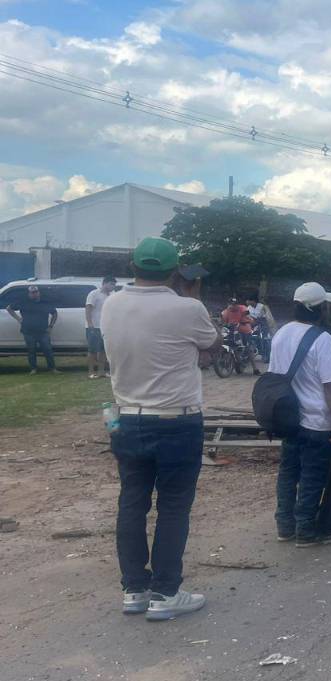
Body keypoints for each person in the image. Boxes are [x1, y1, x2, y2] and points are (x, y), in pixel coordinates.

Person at [100, 237, 221, 620]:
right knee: (173, 507)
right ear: (175, 270)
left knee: (131, 503)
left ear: (133, 266)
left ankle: (134, 588)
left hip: (127, 418)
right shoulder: (188, 307)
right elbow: (211, 347)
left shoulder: (112, 303)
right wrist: (189, 294)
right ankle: (166, 593)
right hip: (177, 420)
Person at [270, 283, 331, 547]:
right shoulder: (321, 338)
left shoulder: (281, 333)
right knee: (313, 477)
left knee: (288, 473)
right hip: (316, 420)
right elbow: (330, 385)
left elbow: (275, 377)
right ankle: (306, 530)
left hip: (289, 419)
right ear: (318, 308)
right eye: (325, 305)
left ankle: (285, 526)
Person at [7, 285, 59, 374]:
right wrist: (18, 319)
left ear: (39, 292)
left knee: (48, 350)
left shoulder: (45, 302)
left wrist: (51, 326)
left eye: (36, 292)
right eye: (32, 293)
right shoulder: (23, 302)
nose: (34, 294)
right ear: (29, 294)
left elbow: (54, 313)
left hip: (43, 331)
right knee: (31, 350)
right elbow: (9, 308)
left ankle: (52, 368)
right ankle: (33, 369)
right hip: (28, 331)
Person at [85, 276, 115, 379]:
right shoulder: (94, 293)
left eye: (114, 284)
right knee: (92, 350)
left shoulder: (111, 295)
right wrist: (90, 324)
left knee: (103, 350)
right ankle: (91, 372)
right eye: (111, 284)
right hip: (94, 326)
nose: (113, 286)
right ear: (105, 283)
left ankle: (101, 371)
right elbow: (88, 308)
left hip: (105, 327)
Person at [220, 297, 260, 375]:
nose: (233, 306)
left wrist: (245, 320)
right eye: (231, 304)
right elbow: (223, 322)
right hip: (232, 331)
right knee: (232, 346)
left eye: (235, 304)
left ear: (237, 305)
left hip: (244, 330)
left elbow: (248, 317)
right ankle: (238, 363)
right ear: (228, 304)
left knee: (248, 349)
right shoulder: (226, 312)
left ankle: (255, 369)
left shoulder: (243, 309)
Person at [246, 292, 275, 364]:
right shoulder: (249, 308)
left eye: (249, 300)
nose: (248, 302)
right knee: (252, 338)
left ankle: (267, 356)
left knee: (265, 339)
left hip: (263, 325)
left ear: (253, 301)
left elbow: (268, 318)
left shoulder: (262, 307)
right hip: (253, 325)